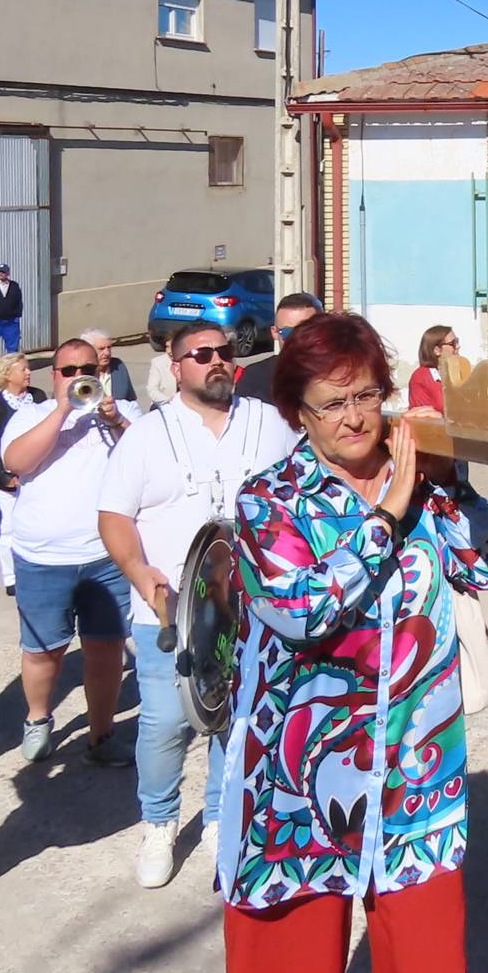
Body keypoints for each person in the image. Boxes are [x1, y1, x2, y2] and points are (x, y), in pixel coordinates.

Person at [221, 312, 488, 973]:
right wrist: (387, 515)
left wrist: (456, 486)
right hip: (296, 785)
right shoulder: (268, 501)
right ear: (298, 412)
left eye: (366, 396)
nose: (355, 418)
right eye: (332, 403)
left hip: (415, 772)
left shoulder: (422, 481)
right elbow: (303, 610)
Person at [100, 322, 295, 890]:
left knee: (232, 719)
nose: (216, 362)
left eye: (224, 353)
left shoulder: (270, 423)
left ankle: (218, 815)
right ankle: (159, 822)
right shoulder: (146, 434)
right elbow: (113, 515)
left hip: (252, 611)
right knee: (165, 722)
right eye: (202, 354)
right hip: (171, 613)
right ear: (176, 364)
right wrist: (139, 572)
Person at [0, 338, 138, 763]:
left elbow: (146, 460)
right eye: (69, 371)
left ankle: (101, 734)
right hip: (43, 557)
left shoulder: (122, 411)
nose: (79, 378)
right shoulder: (30, 415)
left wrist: (115, 421)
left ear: (100, 374)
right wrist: (62, 410)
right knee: (43, 650)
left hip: (105, 555)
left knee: (105, 649)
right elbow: (16, 463)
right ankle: (38, 718)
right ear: (55, 376)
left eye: (87, 371)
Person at [0, 352, 45, 595]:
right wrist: (4, 478)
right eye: (22, 369)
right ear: (7, 375)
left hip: (37, 472)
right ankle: (11, 577)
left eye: (28, 368)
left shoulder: (38, 397)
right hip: (9, 480)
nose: (28, 373)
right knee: (8, 528)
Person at [233, 291, 321, 405]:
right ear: (275, 333)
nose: (297, 339)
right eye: (288, 332)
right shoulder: (255, 377)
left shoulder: (339, 373)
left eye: (306, 331)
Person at [406, 324, 458, 415]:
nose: (458, 346)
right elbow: (423, 418)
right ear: (437, 350)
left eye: (457, 341)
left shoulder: (454, 373)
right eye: (452, 343)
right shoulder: (420, 377)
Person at [77, 329, 137, 405]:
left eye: (109, 347)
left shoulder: (118, 366)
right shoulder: (79, 371)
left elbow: (131, 401)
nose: (107, 353)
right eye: (101, 349)